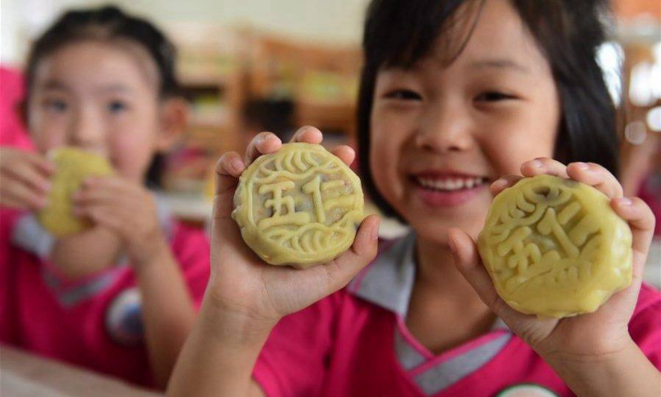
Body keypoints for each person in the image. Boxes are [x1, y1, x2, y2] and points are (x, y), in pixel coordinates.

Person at [168, 1, 660, 396]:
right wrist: (237, 312)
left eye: (492, 95)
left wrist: (599, 363)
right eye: (404, 94)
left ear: (573, 122)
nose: (441, 134)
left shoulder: (633, 328)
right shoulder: (318, 299)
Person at [0, 6, 210, 389]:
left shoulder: (196, 259)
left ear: (166, 125)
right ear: (25, 118)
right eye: (57, 104)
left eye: (116, 106)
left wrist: (150, 253)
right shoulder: (5, 232)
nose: (85, 133)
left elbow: (189, 384)